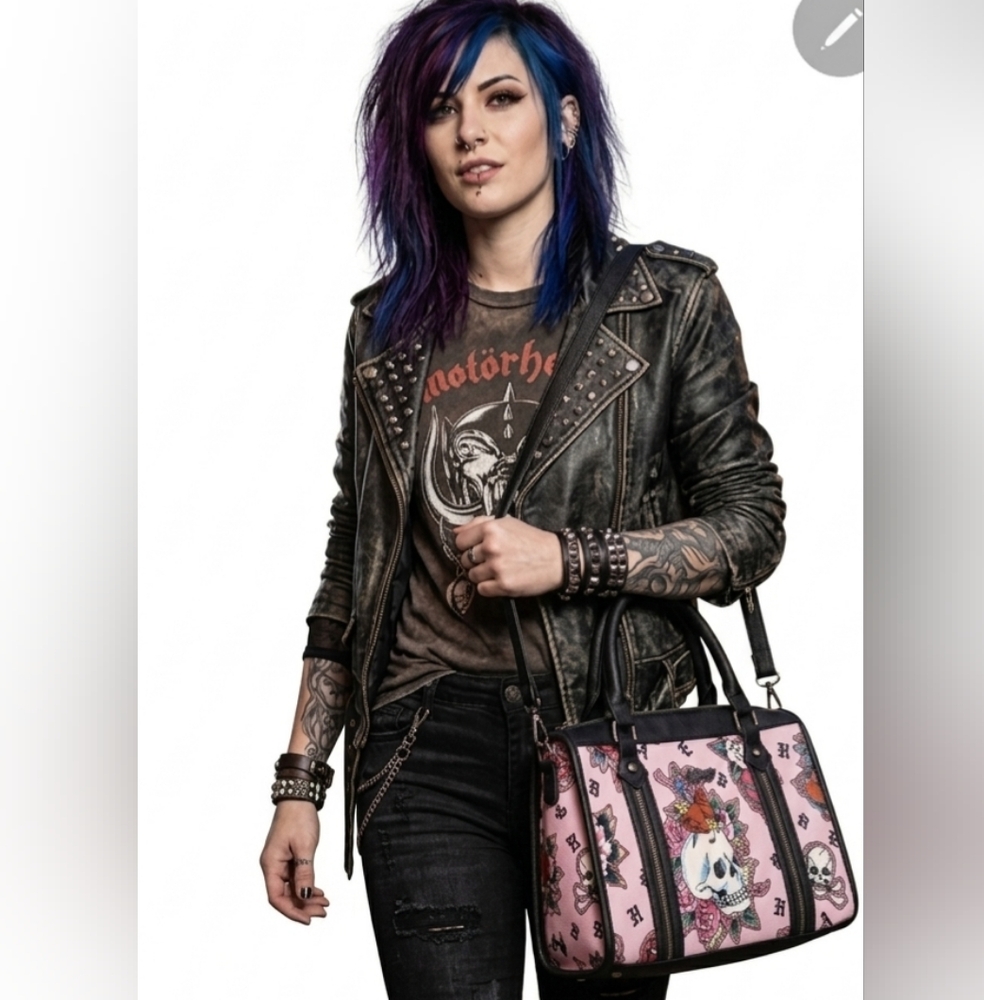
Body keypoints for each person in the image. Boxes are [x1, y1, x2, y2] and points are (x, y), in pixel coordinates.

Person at [259, 1, 785, 997]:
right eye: (440, 108)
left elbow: (751, 527)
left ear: (566, 117)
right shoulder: (384, 331)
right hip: (424, 744)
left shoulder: (667, 303)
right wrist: (300, 782)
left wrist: (568, 558)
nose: (470, 131)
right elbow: (351, 560)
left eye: (501, 98)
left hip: (610, 736)